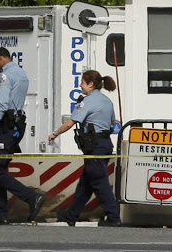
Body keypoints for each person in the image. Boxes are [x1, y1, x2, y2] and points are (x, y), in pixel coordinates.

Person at [49, 70, 122, 227]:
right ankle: (71, 215)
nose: (80, 85)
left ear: (91, 84)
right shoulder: (107, 101)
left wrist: (55, 134)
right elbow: (112, 122)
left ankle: (114, 217)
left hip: (94, 147)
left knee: (100, 182)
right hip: (105, 144)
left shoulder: (87, 101)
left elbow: (70, 123)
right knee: (86, 183)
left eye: (82, 82)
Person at [0, 47, 45, 224]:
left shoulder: (5, 76)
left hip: (6, 127)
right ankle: (0, 213)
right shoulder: (20, 73)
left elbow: (2, 104)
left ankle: (31, 197)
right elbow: (5, 86)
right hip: (16, 126)